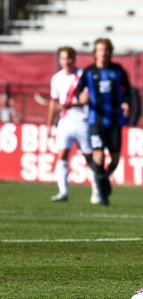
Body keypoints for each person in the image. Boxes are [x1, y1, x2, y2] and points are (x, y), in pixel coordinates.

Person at [74, 38, 131, 206]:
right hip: (96, 120)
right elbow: (79, 90)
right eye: (100, 49)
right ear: (95, 53)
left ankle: (104, 178)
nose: (103, 53)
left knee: (114, 160)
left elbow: (128, 89)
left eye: (106, 49)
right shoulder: (89, 72)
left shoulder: (118, 70)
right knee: (98, 156)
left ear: (110, 52)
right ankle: (102, 193)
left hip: (114, 120)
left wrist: (126, 101)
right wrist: (81, 97)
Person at [46, 46, 100, 203]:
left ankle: (96, 189)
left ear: (74, 59)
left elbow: (86, 99)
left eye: (69, 58)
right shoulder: (56, 78)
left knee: (88, 156)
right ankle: (63, 191)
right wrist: (49, 124)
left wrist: (71, 104)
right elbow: (53, 102)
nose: (66, 62)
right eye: (63, 58)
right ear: (59, 60)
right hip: (64, 121)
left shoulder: (82, 76)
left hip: (82, 121)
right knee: (61, 154)